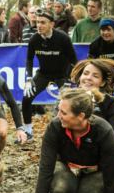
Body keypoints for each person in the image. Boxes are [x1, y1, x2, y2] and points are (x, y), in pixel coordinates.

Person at [23, 8, 77, 140]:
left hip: (62, 76)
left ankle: (67, 132)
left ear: (52, 25)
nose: (39, 26)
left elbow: (73, 60)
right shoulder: (34, 39)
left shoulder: (63, 38)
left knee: (66, 103)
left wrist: (69, 79)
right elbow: (29, 59)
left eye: (43, 23)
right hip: (43, 74)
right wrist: (29, 79)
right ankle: (28, 132)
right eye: (37, 22)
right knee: (26, 97)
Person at [59, 59, 114, 150]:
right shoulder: (67, 98)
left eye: (95, 76)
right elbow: (55, 128)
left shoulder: (110, 103)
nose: (88, 78)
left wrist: (108, 153)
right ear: (80, 77)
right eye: (85, 73)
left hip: (101, 155)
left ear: (103, 82)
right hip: (70, 154)